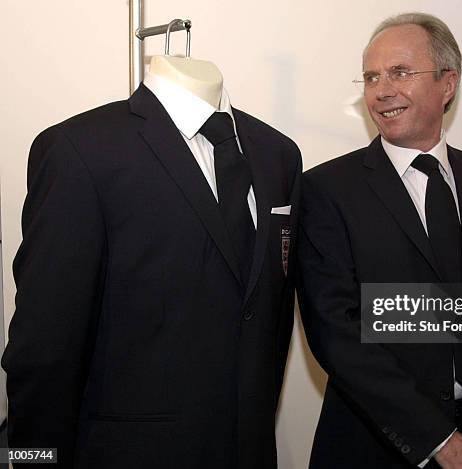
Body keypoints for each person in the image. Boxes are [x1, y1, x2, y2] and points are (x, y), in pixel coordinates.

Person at [297, 12, 462, 469]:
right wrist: (438, 440)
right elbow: (336, 332)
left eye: (400, 72)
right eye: (371, 76)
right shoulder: (326, 190)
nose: (382, 89)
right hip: (376, 448)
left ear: (448, 84)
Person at [2, 66, 301, 468]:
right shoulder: (80, 148)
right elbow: (43, 344)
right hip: (126, 452)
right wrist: (29, 461)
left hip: (249, 449)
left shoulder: (277, 153)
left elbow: (272, 316)